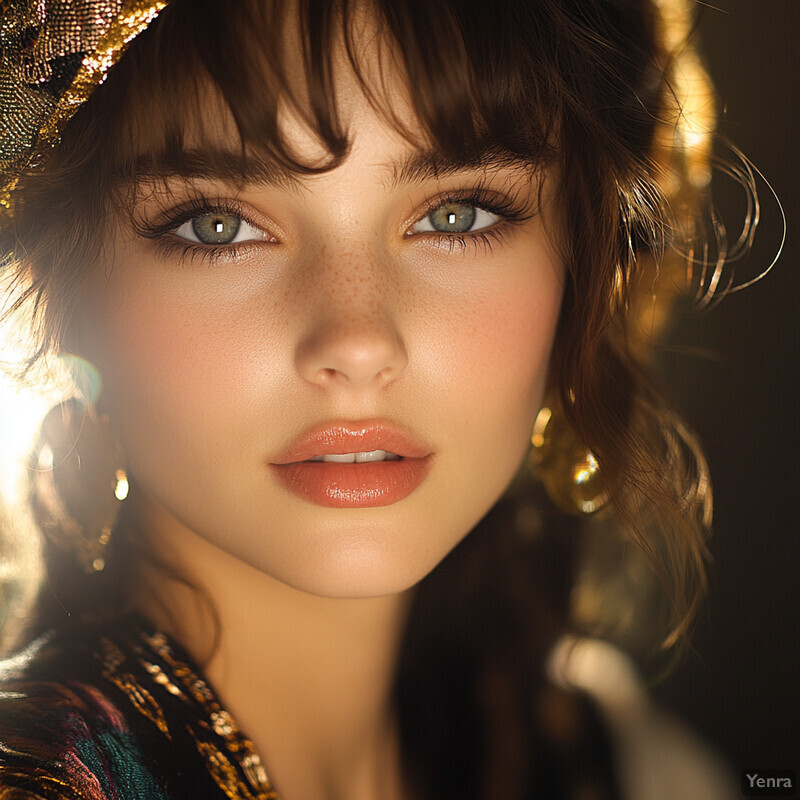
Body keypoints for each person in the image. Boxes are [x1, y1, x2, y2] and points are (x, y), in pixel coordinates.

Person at [0, 0, 742, 798]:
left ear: (587, 265)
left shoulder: (606, 760)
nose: (357, 343)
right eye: (218, 227)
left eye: (458, 215)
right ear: (61, 293)